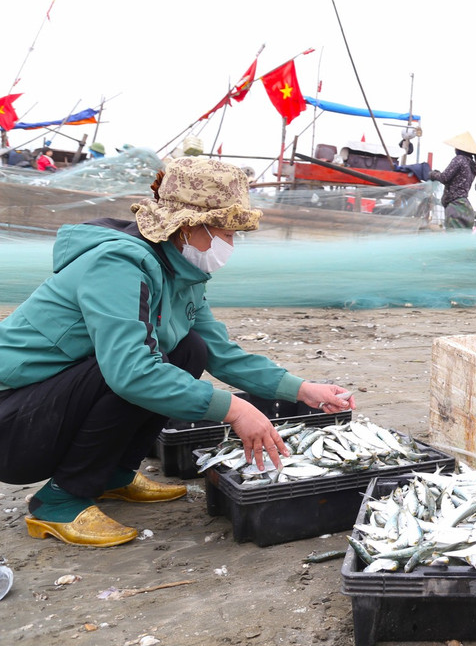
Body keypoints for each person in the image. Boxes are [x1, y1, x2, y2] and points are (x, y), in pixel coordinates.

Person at [0, 157, 356, 547]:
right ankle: (60, 501)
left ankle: (114, 475)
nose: (230, 246)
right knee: (127, 367)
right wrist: (236, 409)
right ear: (188, 226)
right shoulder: (117, 263)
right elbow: (130, 373)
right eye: (225, 233)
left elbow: (220, 353)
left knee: (190, 350)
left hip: (53, 405)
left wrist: (302, 389)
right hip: (14, 423)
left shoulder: (181, 272)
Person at [431, 131, 476, 230]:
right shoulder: (472, 165)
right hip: (466, 208)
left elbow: (444, 177)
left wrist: (433, 174)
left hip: (455, 207)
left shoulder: (459, 159)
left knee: (453, 241)